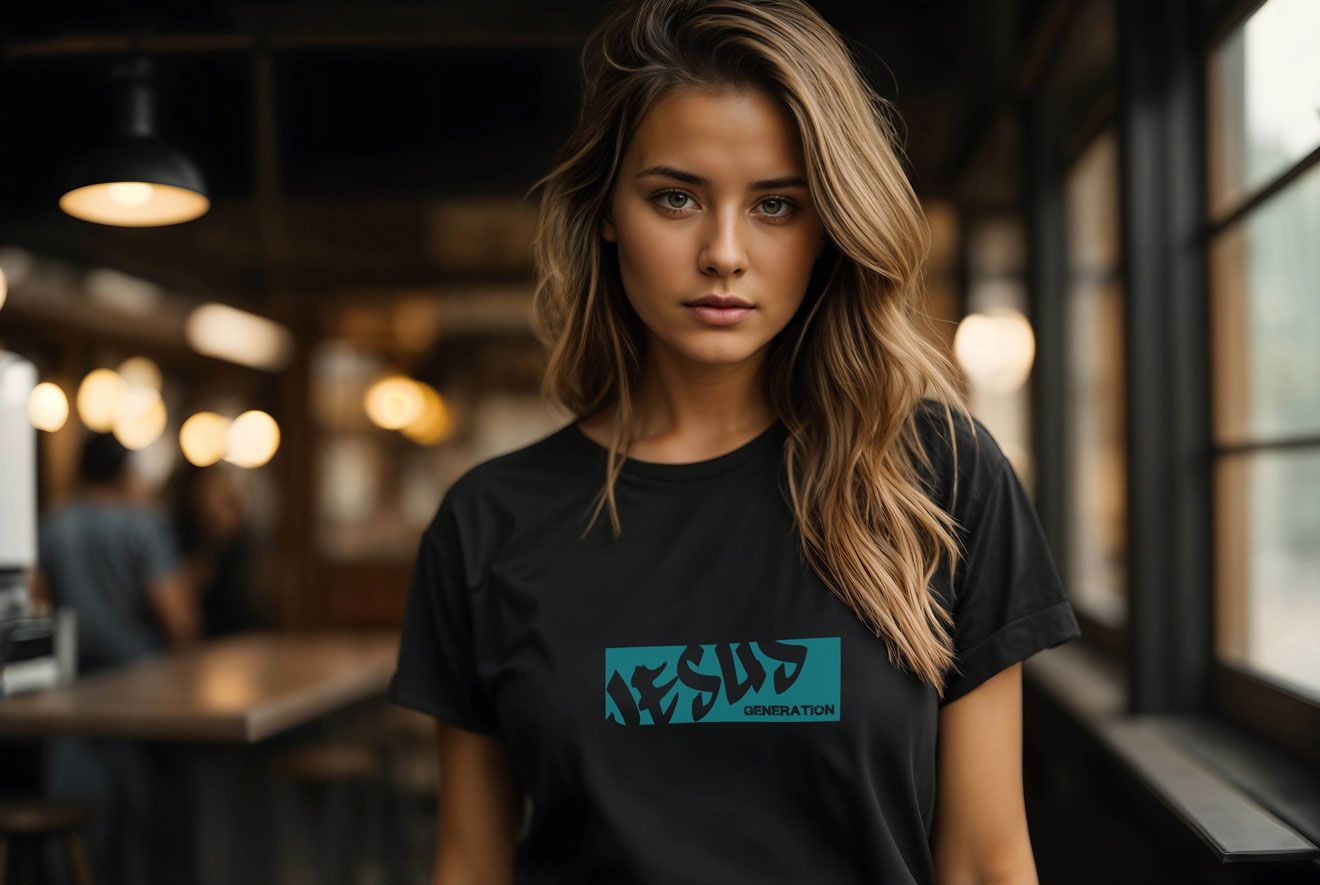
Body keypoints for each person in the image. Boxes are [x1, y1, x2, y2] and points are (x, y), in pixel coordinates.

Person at [387, 1, 1083, 882]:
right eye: (675, 198)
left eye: (776, 206)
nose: (723, 252)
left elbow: (986, 860)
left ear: (829, 225)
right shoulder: (488, 523)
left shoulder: (938, 477)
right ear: (607, 212)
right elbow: (470, 863)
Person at [32, 431, 197, 885]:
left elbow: (34, 605)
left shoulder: (54, 523)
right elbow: (178, 620)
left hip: (73, 693)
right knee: (139, 823)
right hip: (143, 694)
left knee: (80, 823)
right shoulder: (142, 523)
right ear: (125, 472)